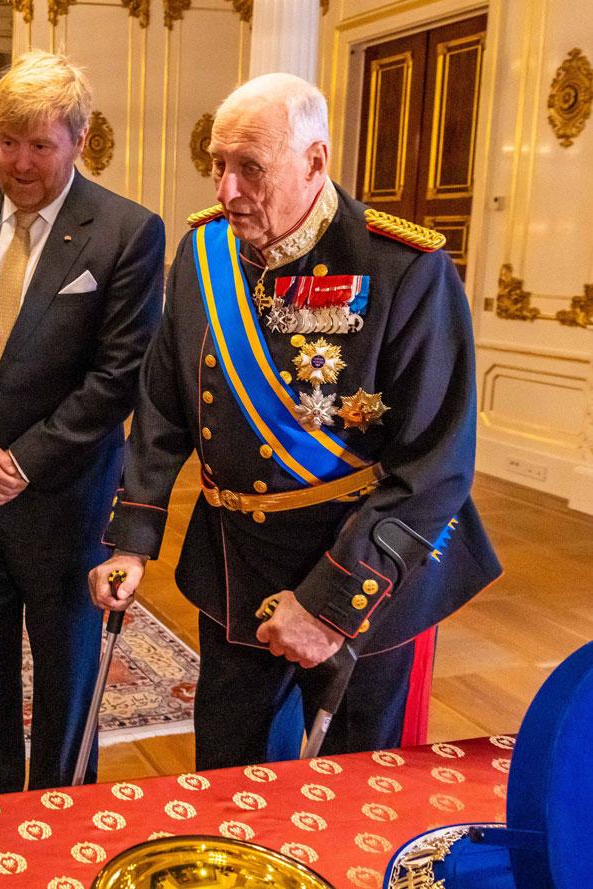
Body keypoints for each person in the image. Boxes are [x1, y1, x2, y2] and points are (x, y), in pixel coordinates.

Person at [90, 73, 503, 770]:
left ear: (315, 162)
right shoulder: (201, 254)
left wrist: (332, 603)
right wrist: (131, 538)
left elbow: (437, 464)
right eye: (218, 164)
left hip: (363, 568)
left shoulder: (403, 266)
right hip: (235, 562)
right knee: (227, 770)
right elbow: (162, 405)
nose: (226, 190)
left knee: (356, 786)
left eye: (250, 167)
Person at [0, 51, 165, 795]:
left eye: (39, 145)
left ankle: (61, 819)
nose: (19, 162)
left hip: (66, 503)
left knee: (66, 682)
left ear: (78, 140)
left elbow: (119, 375)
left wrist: (19, 460)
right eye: (7, 142)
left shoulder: (127, 232)